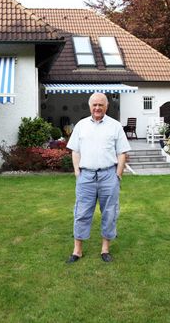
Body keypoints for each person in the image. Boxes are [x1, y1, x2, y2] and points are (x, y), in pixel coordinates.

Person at [65, 92, 131, 263]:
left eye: (101, 105)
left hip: (109, 175)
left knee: (109, 213)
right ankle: (77, 250)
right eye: (94, 105)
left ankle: (105, 249)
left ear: (106, 106)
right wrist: (77, 173)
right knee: (81, 213)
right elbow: (75, 150)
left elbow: (122, 152)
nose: (97, 108)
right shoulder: (81, 125)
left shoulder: (115, 126)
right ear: (90, 106)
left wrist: (118, 175)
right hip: (85, 176)